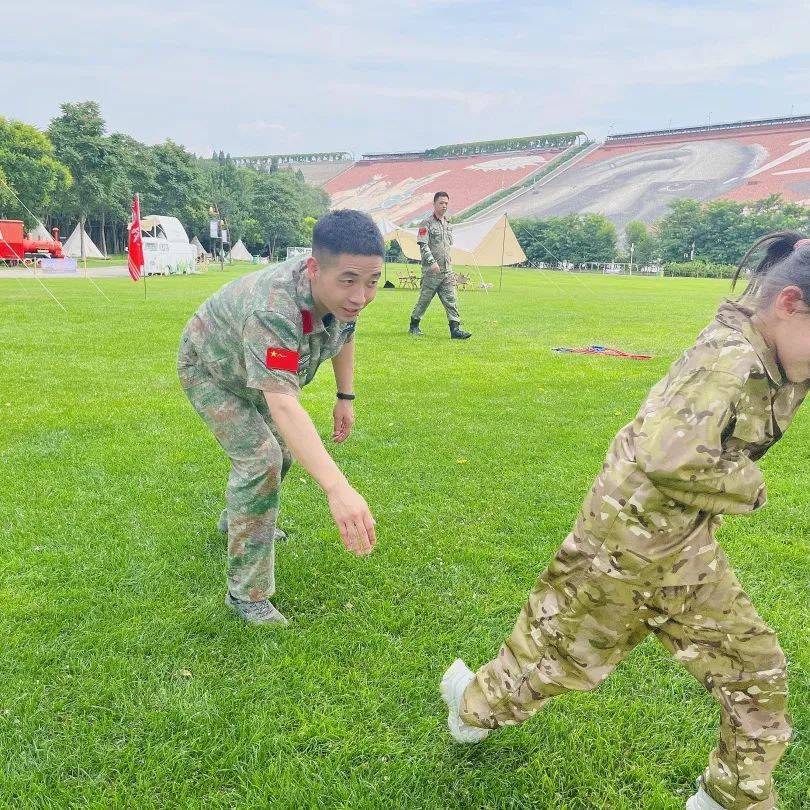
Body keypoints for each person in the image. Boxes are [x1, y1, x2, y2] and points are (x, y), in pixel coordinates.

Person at [440, 231, 810, 810]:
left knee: (755, 671)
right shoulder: (728, 363)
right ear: (787, 304)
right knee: (556, 659)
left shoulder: (778, 347)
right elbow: (667, 457)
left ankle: (729, 798)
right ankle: (473, 706)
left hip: (679, 546)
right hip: (625, 547)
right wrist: (752, 486)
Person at [177, 209, 383, 626]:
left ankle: (238, 519)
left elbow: (346, 331)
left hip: (254, 371)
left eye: (372, 281)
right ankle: (246, 595)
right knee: (262, 457)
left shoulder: (343, 300)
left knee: (283, 451)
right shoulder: (274, 308)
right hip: (211, 368)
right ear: (314, 268)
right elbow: (284, 405)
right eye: (348, 280)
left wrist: (345, 395)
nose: (360, 296)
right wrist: (337, 488)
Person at [408, 191, 471, 339]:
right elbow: (423, 245)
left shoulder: (448, 224)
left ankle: (455, 330)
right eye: (441, 203)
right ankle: (414, 325)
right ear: (434, 204)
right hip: (432, 271)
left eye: (446, 203)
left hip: (447, 271)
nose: (444, 206)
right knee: (424, 300)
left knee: (451, 299)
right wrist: (432, 262)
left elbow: (448, 246)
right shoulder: (426, 223)